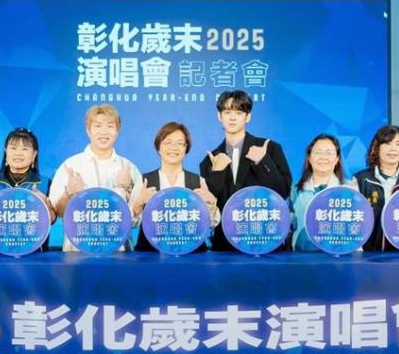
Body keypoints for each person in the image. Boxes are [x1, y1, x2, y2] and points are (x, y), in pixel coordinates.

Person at [199, 90, 292, 251]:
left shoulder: (269, 149)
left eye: (239, 112)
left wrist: (262, 162)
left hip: (264, 239)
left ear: (248, 117)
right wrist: (217, 172)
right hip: (225, 246)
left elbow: (283, 191)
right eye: (227, 112)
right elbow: (210, 205)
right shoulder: (210, 160)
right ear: (219, 116)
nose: (232, 118)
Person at [48, 104, 142, 251]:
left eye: (110, 126)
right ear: (88, 130)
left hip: (120, 253)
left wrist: (127, 192)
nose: (103, 132)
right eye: (97, 126)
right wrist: (68, 193)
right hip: (78, 252)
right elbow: (58, 213)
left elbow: (137, 220)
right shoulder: (71, 165)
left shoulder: (129, 168)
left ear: (117, 131)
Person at [132, 122, 219, 251]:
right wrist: (138, 204)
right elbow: (131, 224)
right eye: (168, 142)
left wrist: (212, 205)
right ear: (159, 148)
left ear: (186, 148)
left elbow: (211, 225)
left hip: (192, 255)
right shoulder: (144, 181)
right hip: (151, 255)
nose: (174, 148)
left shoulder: (198, 181)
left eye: (179, 143)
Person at [352, 124, 399, 251]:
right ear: (377, 148)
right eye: (387, 143)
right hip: (368, 255)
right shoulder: (359, 180)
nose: (393, 149)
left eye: (398, 144)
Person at [0, 127, 56, 224]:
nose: (18, 153)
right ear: (6, 152)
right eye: (13, 148)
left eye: (25, 149)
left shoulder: (45, 184)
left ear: (34, 154)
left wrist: (45, 204)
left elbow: (52, 220)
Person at [290, 134, 346, 251]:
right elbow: (288, 225)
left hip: (339, 256)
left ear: (337, 159)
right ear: (309, 158)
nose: (323, 157)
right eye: (318, 152)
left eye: (329, 153)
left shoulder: (349, 189)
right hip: (302, 256)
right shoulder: (295, 190)